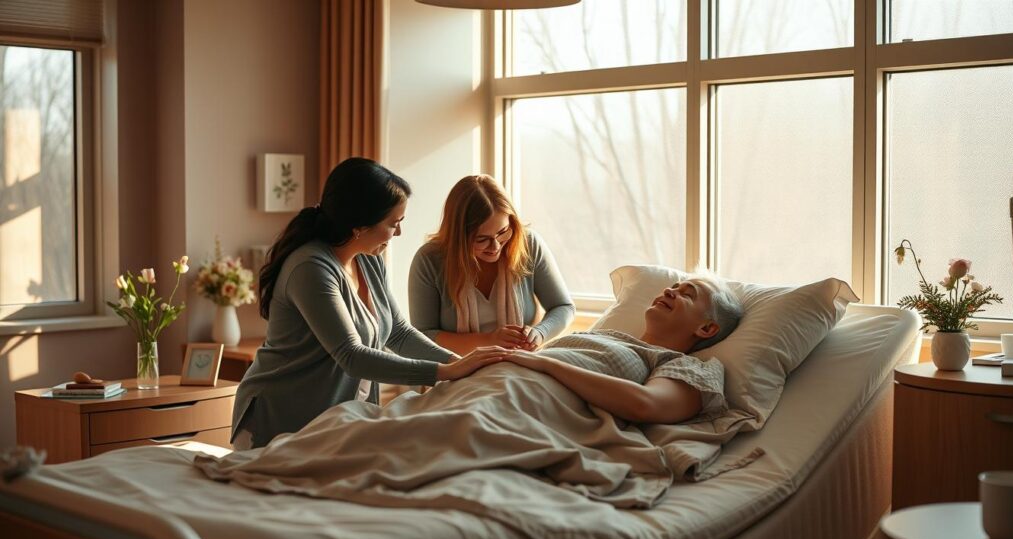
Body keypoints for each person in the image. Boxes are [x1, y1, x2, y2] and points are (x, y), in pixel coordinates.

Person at [232, 158, 509, 449]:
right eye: (394, 223)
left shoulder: (369, 260)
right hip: (280, 421)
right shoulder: (310, 268)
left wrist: (458, 363)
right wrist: (444, 373)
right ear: (359, 226)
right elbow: (352, 355)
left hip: (334, 422)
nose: (398, 233)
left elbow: (398, 333)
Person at [502, 274, 743, 424]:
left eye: (687, 295)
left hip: (522, 406)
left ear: (707, 328)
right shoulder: (605, 337)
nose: (669, 291)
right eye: (674, 286)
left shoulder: (683, 366)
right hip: (497, 383)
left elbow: (646, 404)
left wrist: (546, 364)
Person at [409, 175, 575, 354]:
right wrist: (489, 341)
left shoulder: (528, 244)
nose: (495, 246)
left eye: (503, 232)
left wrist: (540, 333)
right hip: (455, 370)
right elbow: (423, 336)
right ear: (458, 237)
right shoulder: (429, 260)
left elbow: (563, 307)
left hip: (520, 364)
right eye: (482, 239)